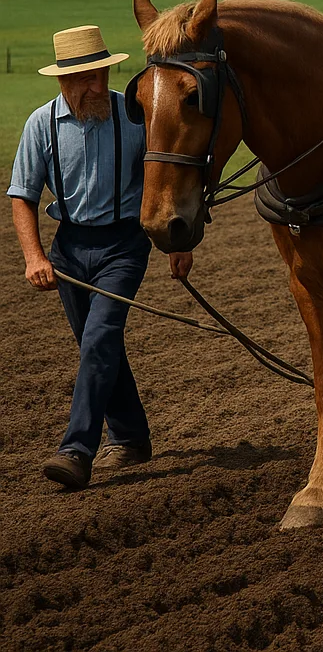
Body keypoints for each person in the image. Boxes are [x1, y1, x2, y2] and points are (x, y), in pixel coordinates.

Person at [9, 26, 192, 490]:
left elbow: (166, 180)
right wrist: (34, 256)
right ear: (63, 81)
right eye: (85, 78)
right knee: (99, 345)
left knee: (99, 339)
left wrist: (178, 243)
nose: (96, 85)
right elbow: (22, 196)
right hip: (68, 248)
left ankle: (76, 451)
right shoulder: (41, 125)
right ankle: (131, 436)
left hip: (123, 246)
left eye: (101, 73)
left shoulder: (134, 118)